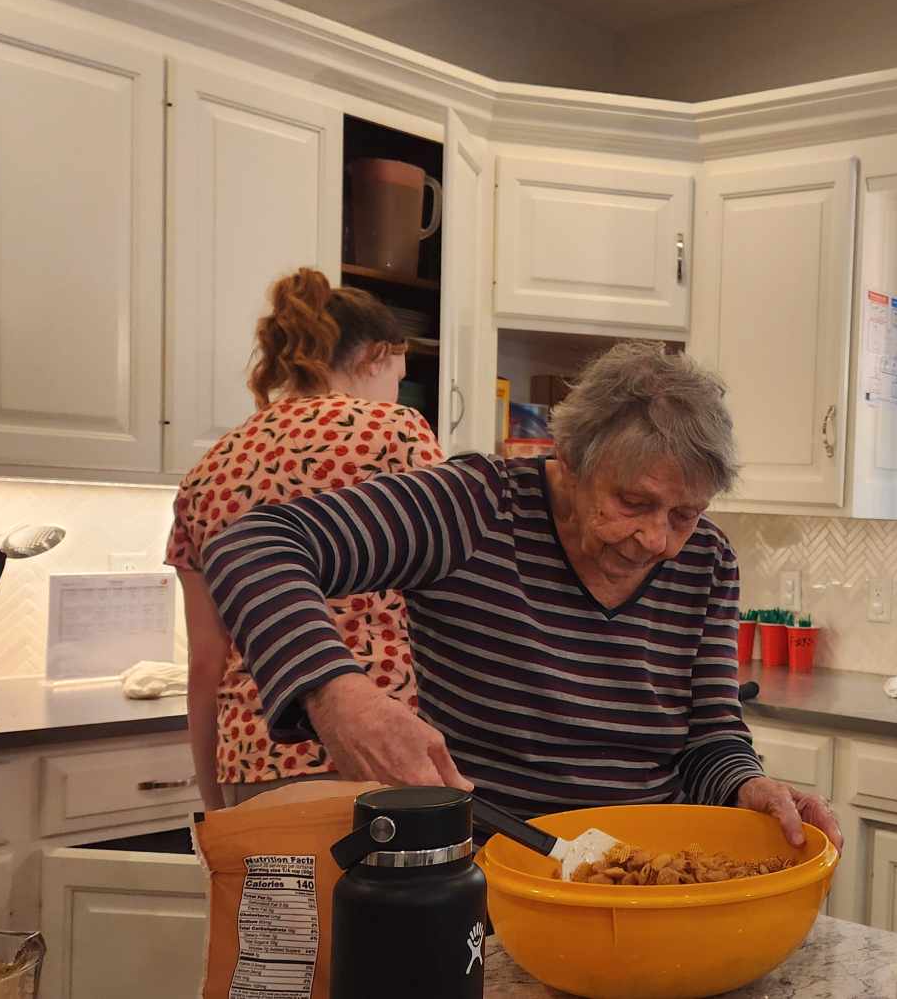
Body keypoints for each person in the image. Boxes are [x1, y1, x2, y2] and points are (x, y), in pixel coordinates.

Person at [200, 341, 841, 848]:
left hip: (646, 873)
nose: (659, 541)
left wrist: (746, 782)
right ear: (570, 457)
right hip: (489, 876)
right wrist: (337, 693)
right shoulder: (474, 507)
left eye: (685, 513)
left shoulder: (707, 561)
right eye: (634, 503)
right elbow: (251, 545)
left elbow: (709, 736)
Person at [170, 268, 442, 809]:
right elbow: (447, 608)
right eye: (397, 374)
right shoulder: (396, 431)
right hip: (377, 757)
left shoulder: (209, 467)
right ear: (374, 358)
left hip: (251, 764)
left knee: (277, 899)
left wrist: (215, 807)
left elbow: (206, 663)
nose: (395, 391)